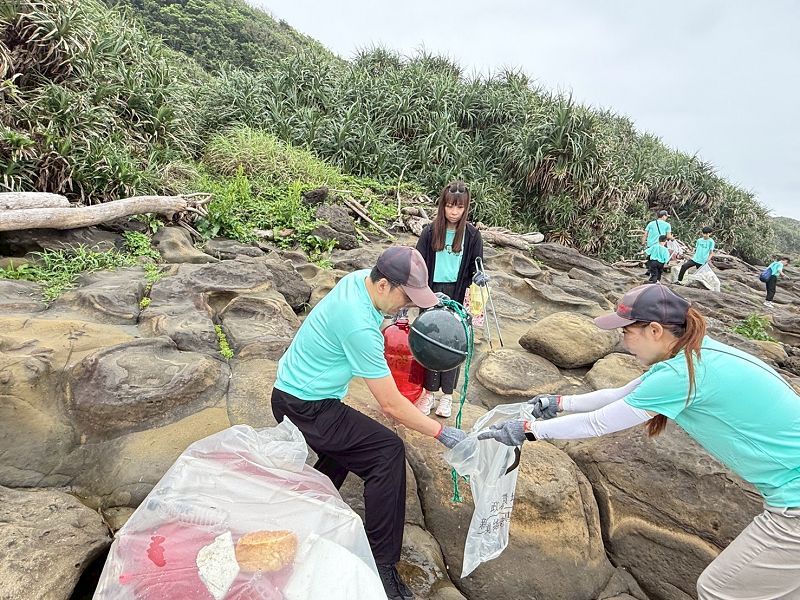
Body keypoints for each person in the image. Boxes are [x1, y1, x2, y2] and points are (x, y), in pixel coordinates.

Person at [478, 284, 800, 600]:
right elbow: (620, 394)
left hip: (793, 502)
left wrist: (528, 429)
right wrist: (560, 402)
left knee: (717, 589)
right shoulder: (695, 352)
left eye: (626, 331)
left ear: (655, 330)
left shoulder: (681, 373)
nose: (622, 340)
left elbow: (598, 423)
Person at [271, 245, 466, 600]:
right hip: (304, 405)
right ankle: (382, 564)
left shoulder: (361, 280)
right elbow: (390, 404)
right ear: (384, 285)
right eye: (407, 298)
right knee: (386, 452)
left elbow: (390, 308)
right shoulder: (359, 325)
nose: (407, 306)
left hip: (298, 391)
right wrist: (442, 432)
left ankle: (302, 510)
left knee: (346, 450)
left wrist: (429, 302)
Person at [414, 180, 484, 418]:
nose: (454, 212)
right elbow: (417, 263)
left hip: (457, 293)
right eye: (450, 206)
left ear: (466, 208)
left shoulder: (472, 235)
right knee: (430, 340)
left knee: (453, 343)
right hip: (431, 292)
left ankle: (447, 396)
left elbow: (477, 265)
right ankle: (428, 393)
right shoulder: (430, 232)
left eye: (459, 207)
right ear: (442, 206)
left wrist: (480, 276)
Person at [641, 209, 673, 275]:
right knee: (660, 258)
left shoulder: (651, 223)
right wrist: (672, 238)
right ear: (663, 216)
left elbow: (645, 234)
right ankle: (657, 273)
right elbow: (668, 236)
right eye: (666, 216)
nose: (666, 218)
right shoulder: (667, 225)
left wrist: (643, 242)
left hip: (651, 244)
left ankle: (650, 271)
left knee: (651, 258)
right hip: (661, 244)